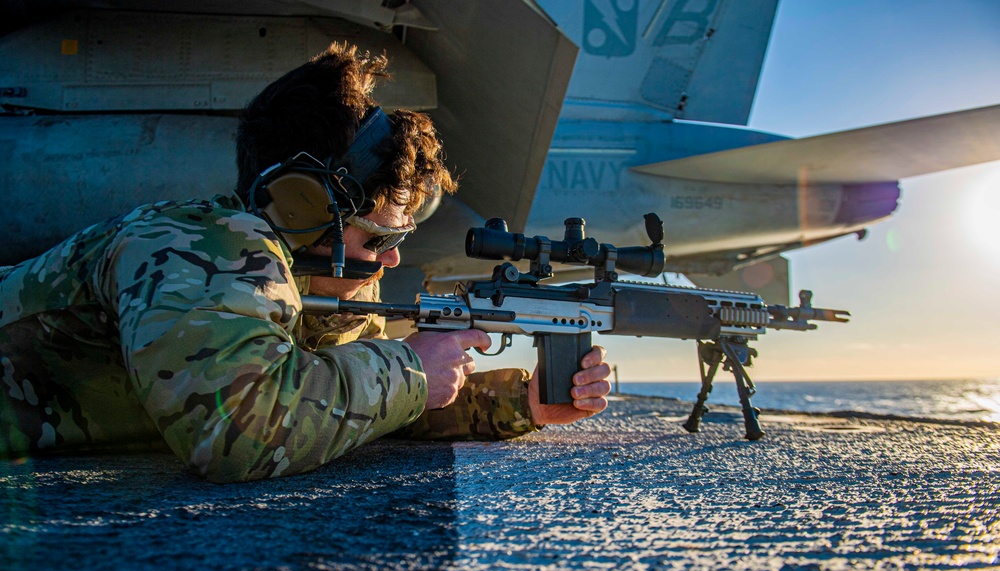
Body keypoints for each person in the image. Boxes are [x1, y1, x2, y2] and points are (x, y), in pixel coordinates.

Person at [0, 42, 612, 483]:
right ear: (301, 206)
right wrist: (408, 367)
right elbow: (238, 432)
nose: (391, 256)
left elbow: (350, 408)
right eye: (374, 239)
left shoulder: (306, 277)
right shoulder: (203, 245)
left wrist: (521, 404)